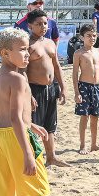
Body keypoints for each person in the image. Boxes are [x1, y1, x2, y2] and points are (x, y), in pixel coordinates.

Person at [0, 27, 70, 196]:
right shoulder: (17, 77)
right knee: (42, 192)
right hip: (16, 138)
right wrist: (27, 152)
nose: (28, 54)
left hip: (0, 137)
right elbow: (15, 118)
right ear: (5, 53)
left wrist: (30, 124)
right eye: (22, 50)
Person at [26, 10, 69, 167]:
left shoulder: (50, 42)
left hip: (50, 88)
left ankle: (51, 157)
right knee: (32, 127)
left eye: (45, 23)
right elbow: (22, 71)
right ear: (30, 26)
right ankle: (32, 159)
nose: (43, 26)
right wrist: (28, 94)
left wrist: (63, 87)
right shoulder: (27, 44)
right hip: (34, 88)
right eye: (38, 24)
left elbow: (57, 66)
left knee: (50, 125)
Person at [73, 24, 99, 154]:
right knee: (84, 116)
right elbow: (75, 73)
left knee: (95, 116)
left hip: (97, 87)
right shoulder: (79, 53)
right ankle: (82, 145)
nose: (92, 38)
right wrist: (77, 92)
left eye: (94, 35)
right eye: (89, 36)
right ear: (82, 37)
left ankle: (94, 144)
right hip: (84, 86)